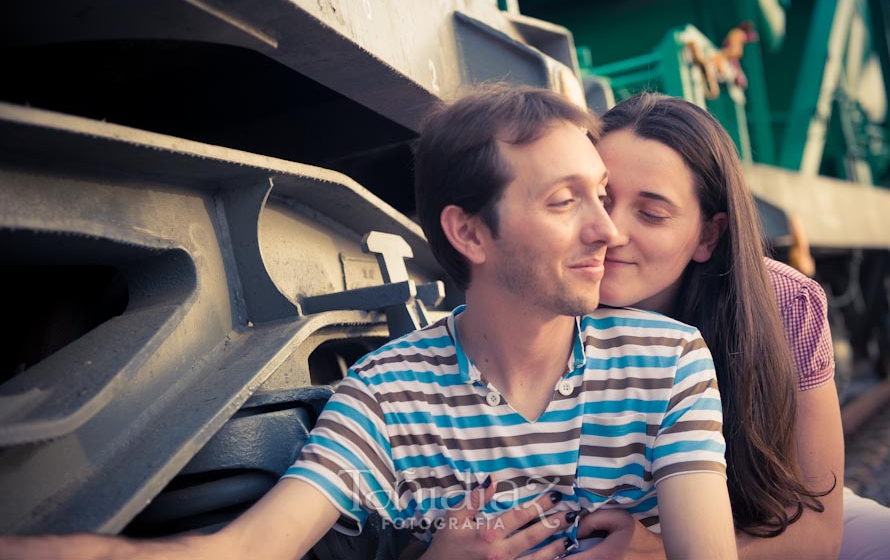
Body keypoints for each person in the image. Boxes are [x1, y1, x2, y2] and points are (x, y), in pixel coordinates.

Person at [0, 85, 738, 559]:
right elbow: (244, 549)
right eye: (563, 201)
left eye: (601, 195)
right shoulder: (386, 394)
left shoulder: (668, 361)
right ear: (470, 234)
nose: (606, 231)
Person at [573, 91, 890, 560]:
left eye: (652, 213)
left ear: (709, 234)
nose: (610, 231)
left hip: (758, 528)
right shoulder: (552, 295)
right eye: (601, 200)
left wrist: (664, 553)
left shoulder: (780, 302)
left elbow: (819, 531)